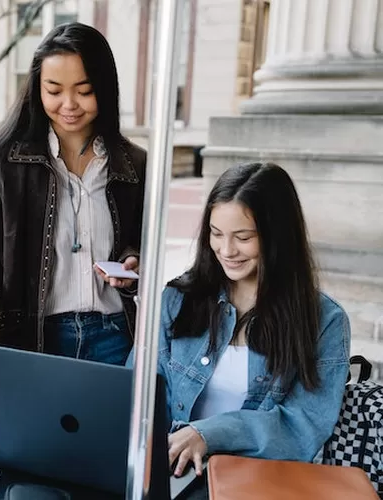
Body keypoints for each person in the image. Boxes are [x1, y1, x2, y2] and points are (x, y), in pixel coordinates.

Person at [0, 22, 147, 365]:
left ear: (105, 89)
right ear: (37, 89)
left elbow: (141, 245)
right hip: (33, 337)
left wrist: (133, 261)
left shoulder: (134, 163)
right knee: (31, 422)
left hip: (115, 337)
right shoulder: (2, 157)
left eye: (84, 90)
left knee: (109, 422)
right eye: (54, 90)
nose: (69, 104)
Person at [126, 162, 350, 480]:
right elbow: (137, 386)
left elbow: (304, 424)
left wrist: (209, 433)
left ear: (278, 237)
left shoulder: (324, 321)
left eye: (243, 237)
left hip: (257, 479)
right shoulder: (179, 298)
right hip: (172, 471)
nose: (226, 250)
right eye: (216, 234)